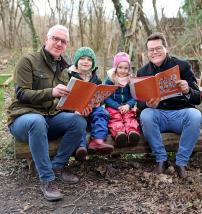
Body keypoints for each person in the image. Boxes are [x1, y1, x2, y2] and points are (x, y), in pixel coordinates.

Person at [7, 25, 87, 201]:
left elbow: (62, 101)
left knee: (78, 121)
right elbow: (22, 93)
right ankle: (47, 180)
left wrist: (79, 106)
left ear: (66, 45)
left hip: (49, 117)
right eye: (55, 39)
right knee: (36, 121)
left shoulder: (65, 69)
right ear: (46, 39)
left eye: (63, 41)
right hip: (23, 118)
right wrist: (51, 92)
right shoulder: (28, 61)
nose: (59, 44)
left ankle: (57, 167)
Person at [137, 32, 202, 178]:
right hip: (157, 116)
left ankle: (181, 162)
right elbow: (139, 103)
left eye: (158, 48)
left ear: (166, 48)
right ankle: (162, 160)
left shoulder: (182, 66)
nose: (155, 52)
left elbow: (198, 98)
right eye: (151, 50)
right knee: (146, 114)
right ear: (147, 53)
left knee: (195, 115)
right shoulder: (142, 72)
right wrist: (147, 103)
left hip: (180, 115)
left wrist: (188, 90)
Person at [68, 47, 114, 160]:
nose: (85, 62)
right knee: (78, 121)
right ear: (76, 61)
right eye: (82, 59)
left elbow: (100, 95)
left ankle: (97, 140)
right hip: (76, 111)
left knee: (102, 112)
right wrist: (75, 110)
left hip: (92, 109)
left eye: (89, 59)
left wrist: (99, 102)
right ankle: (80, 147)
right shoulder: (69, 77)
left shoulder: (95, 79)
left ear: (92, 63)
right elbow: (65, 99)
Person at [104, 52, 140, 147]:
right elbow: (106, 97)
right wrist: (117, 106)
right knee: (115, 118)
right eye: (120, 67)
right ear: (116, 67)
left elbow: (134, 96)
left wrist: (128, 105)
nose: (123, 70)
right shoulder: (110, 80)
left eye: (126, 68)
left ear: (129, 69)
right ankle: (119, 134)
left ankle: (132, 132)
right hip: (113, 107)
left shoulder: (130, 80)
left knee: (130, 117)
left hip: (127, 106)